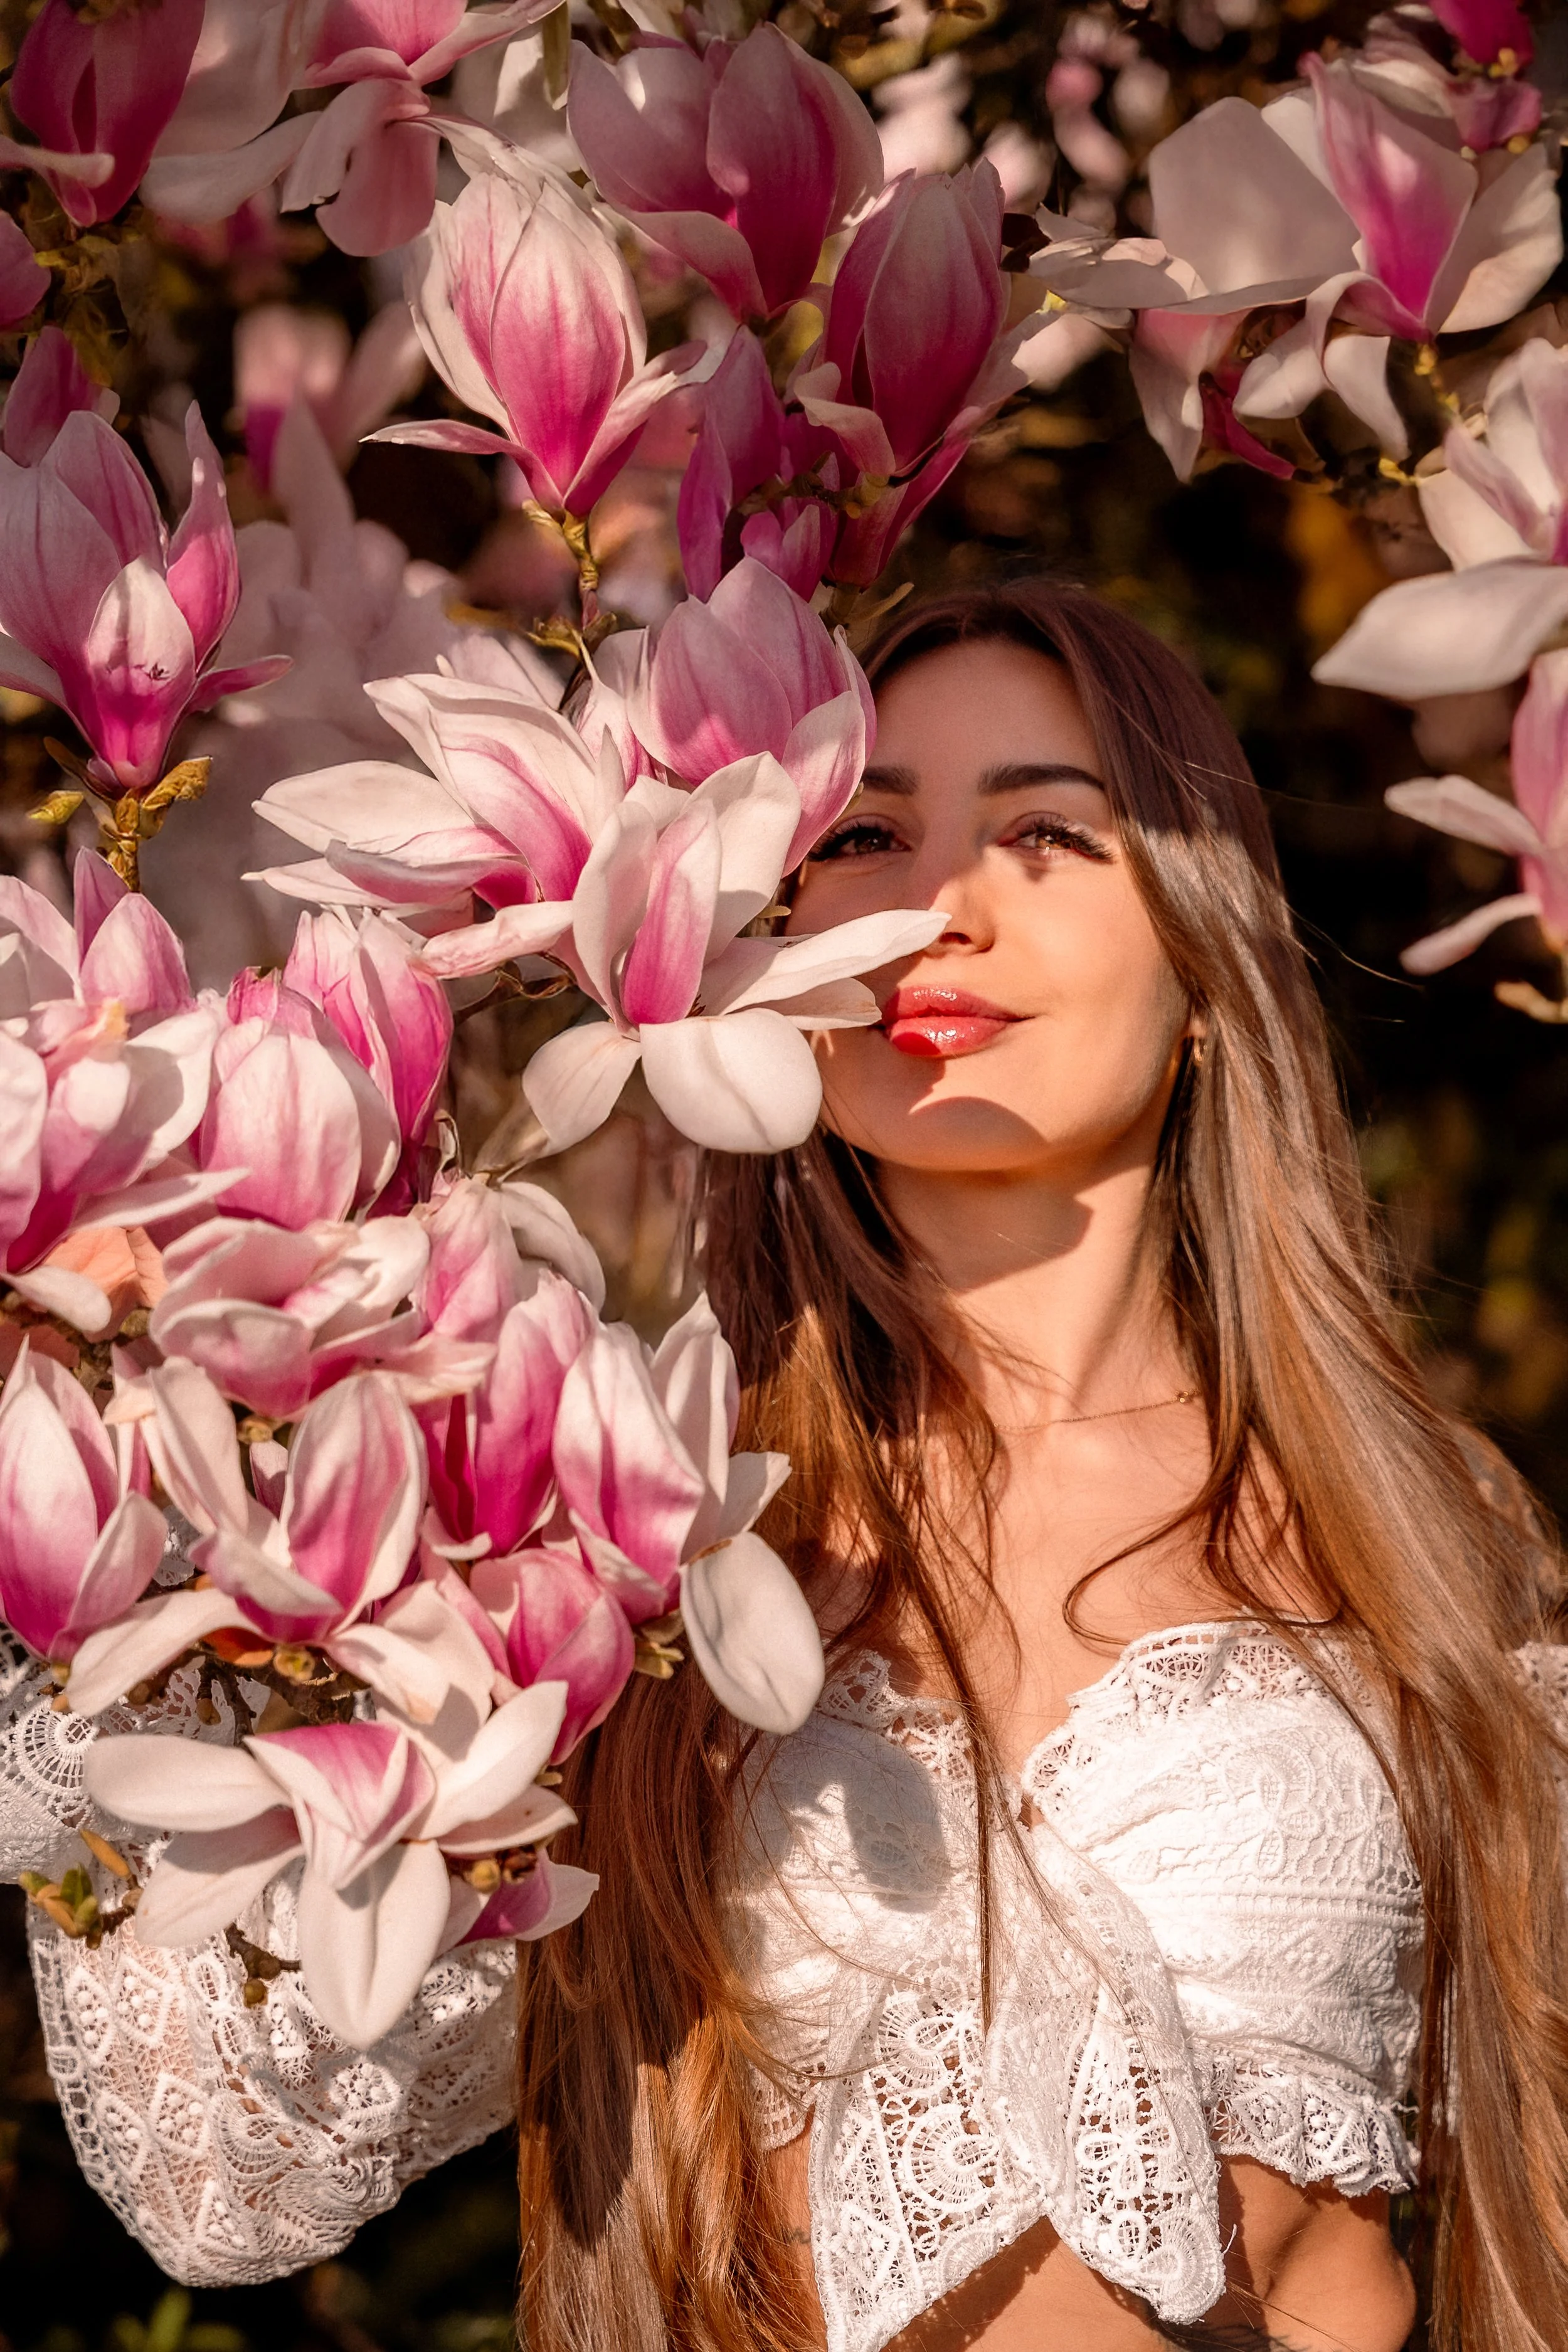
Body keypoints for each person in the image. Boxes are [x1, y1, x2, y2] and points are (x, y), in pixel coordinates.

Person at [4, 581, 1567, 2352]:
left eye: (1045, 830)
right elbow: (219, 2165)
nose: (937, 910)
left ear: (1208, 956)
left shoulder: (1422, 1544)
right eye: (867, 836)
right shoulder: (623, 1546)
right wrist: (135, 1459)